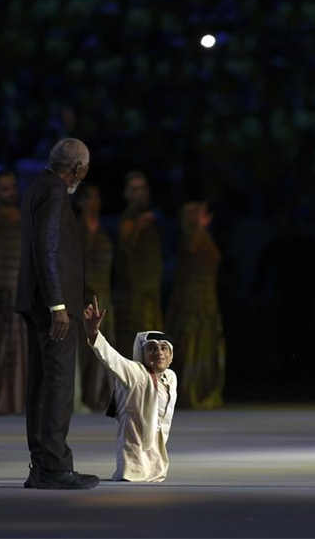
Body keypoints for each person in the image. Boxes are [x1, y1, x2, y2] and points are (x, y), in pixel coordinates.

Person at [16, 138, 98, 489]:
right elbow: (47, 250)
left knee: (43, 384)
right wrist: (59, 306)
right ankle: (54, 466)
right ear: (77, 168)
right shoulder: (53, 193)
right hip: (52, 308)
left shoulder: (39, 186)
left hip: (40, 303)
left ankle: (42, 465)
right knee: (58, 384)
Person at [84, 297, 178, 482]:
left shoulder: (171, 377)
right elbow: (111, 358)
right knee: (133, 469)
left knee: (154, 467)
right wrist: (94, 332)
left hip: (157, 440)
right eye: (152, 348)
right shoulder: (135, 372)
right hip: (134, 436)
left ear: (170, 355)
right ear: (142, 354)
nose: (159, 352)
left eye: (163, 348)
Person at [166, 201, 226, 409]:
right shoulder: (193, 238)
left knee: (202, 343)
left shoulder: (200, 237)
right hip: (193, 299)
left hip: (205, 298)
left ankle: (198, 389)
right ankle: (193, 391)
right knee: (193, 343)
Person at [0, 169, 27, 414]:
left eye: (11, 187)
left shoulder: (22, 215)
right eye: (3, 188)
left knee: (19, 346)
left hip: (19, 287)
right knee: (1, 346)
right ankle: (2, 400)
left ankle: (17, 399)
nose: (8, 193)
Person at [112, 171, 163, 357]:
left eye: (142, 189)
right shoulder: (128, 220)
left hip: (151, 297)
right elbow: (125, 247)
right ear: (127, 193)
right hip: (133, 301)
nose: (139, 194)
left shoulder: (152, 222)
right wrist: (137, 226)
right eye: (134, 189)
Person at [76, 184, 114, 411]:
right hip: (83, 296)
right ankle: (83, 396)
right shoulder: (75, 230)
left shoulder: (104, 231)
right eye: (89, 198)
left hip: (104, 295)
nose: (94, 203)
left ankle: (99, 395)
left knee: (104, 347)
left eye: (96, 198)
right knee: (84, 347)